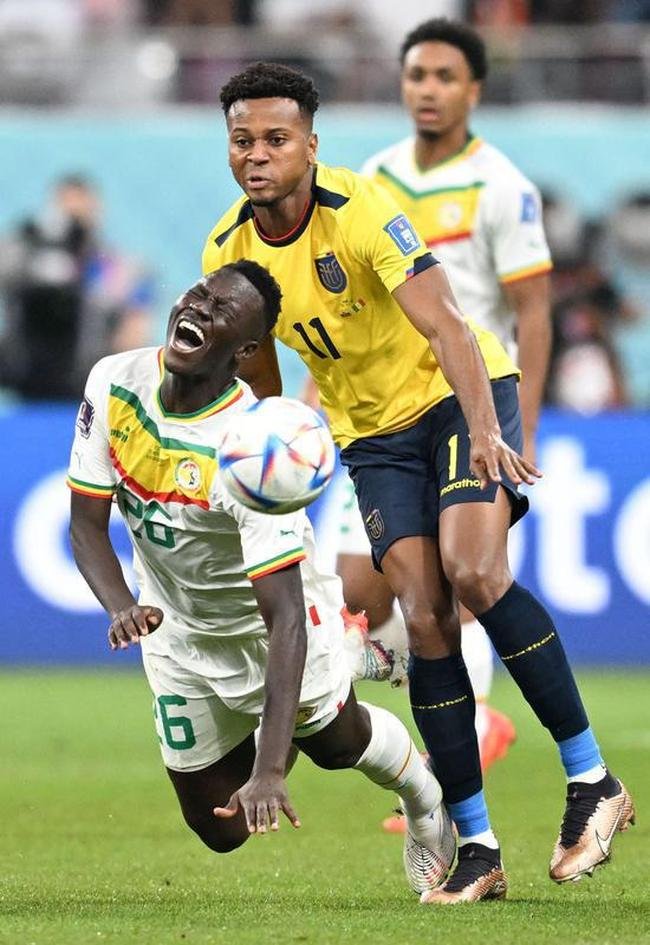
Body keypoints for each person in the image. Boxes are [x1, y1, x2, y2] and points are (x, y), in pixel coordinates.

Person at [201, 61, 634, 903]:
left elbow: (448, 325)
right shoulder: (227, 249)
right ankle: (478, 846)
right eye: (242, 140)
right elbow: (260, 383)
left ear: (311, 146)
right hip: (371, 438)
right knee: (425, 617)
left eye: (276, 139)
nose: (257, 155)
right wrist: (269, 472)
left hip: (456, 398)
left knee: (474, 572)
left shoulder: (360, 206)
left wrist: (485, 429)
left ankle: (592, 780)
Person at [67, 262, 455, 897]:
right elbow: (85, 524)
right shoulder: (113, 382)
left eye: (221, 309)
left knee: (336, 745)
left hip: (266, 629)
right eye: (198, 294)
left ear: (246, 352)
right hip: (177, 633)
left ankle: (427, 798)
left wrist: (271, 769)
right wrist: (119, 606)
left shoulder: (256, 452)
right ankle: (343, 663)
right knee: (220, 828)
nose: (199, 307)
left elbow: (285, 618)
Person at [335, 16, 555, 812]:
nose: (427, 90)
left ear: (474, 90)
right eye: (416, 75)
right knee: (362, 590)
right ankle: (463, 718)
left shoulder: (501, 186)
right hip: (385, 410)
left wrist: (519, 427)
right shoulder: (376, 177)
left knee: (461, 580)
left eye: (444, 77)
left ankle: (462, 750)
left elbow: (533, 313)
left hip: (470, 405)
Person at [0, 174, 154, 400]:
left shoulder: (119, 269)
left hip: (86, 386)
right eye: (66, 210)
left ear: (96, 210)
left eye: (80, 211)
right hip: (24, 381)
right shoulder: (23, 257)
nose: (73, 220)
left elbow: (134, 337)